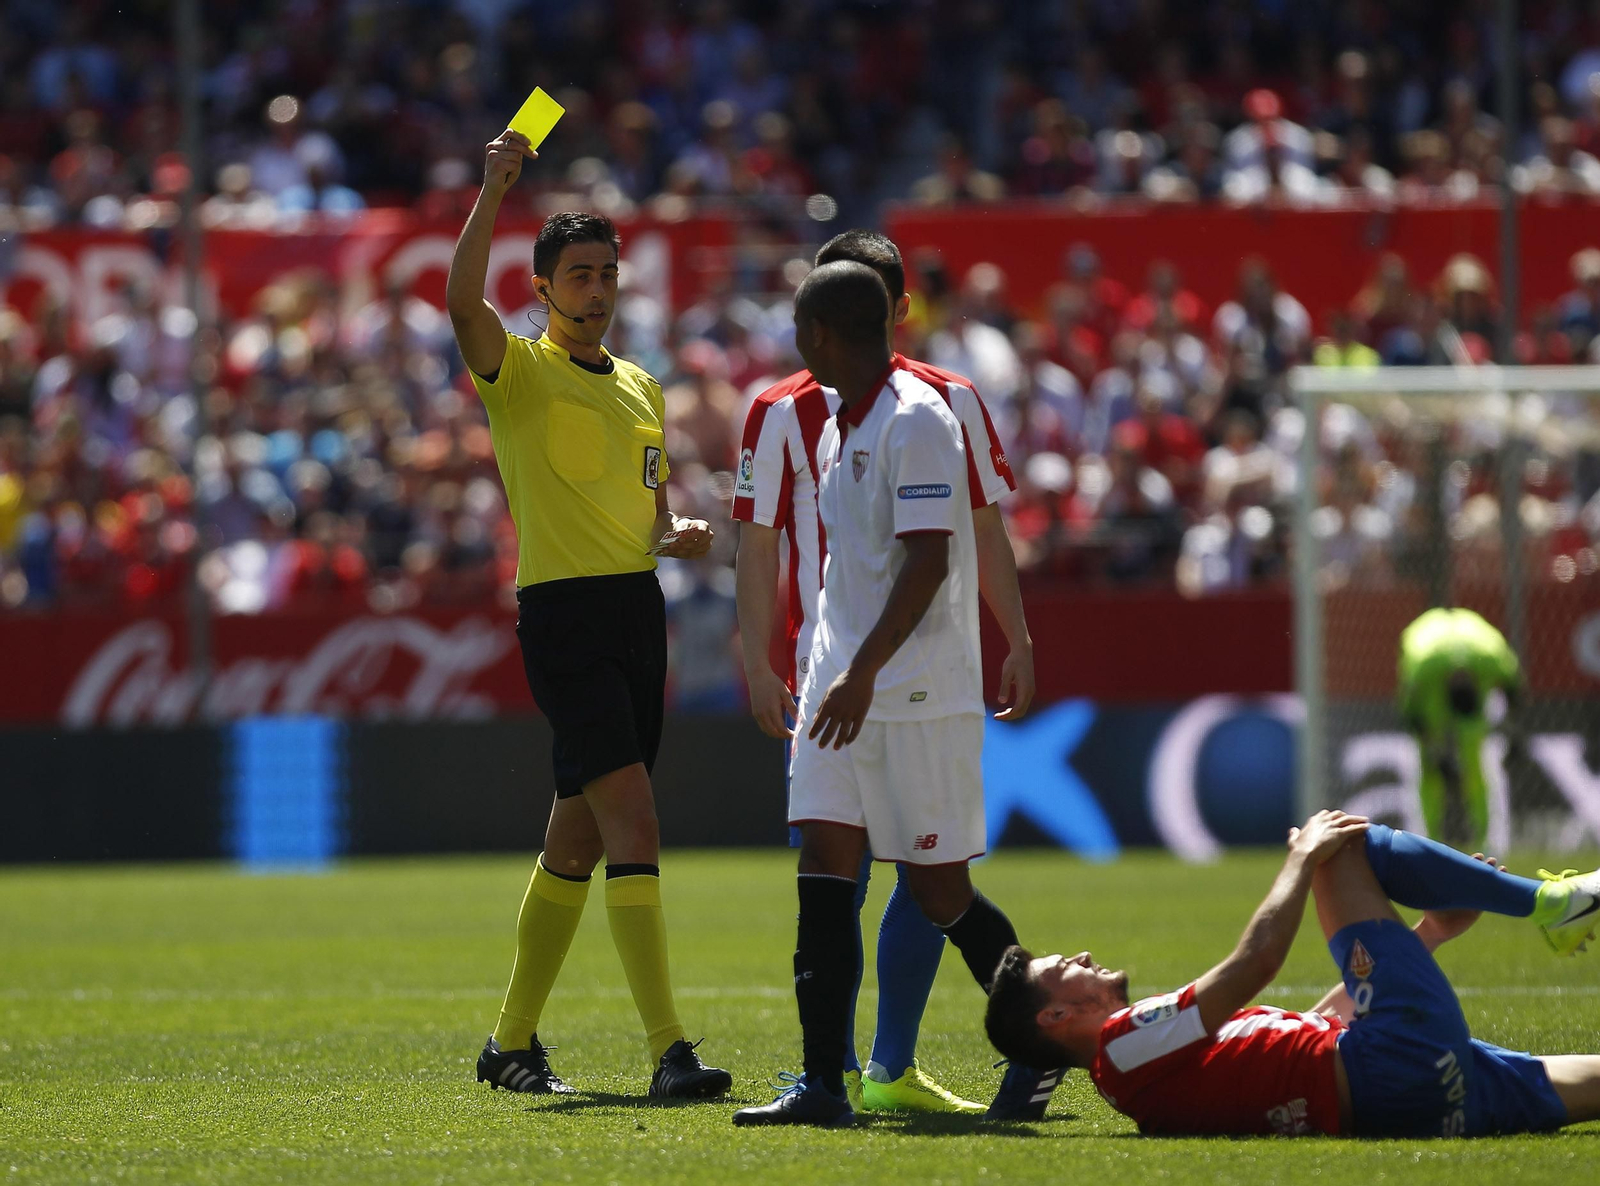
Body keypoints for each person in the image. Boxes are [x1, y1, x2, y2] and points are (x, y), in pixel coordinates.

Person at [733, 229, 1059, 1119]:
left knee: (940, 890)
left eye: (802, 328)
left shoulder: (919, 417)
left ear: (829, 333)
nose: (795, 346)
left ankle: (1041, 1046)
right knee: (824, 871)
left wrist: (864, 672)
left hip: (912, 693)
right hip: (843, 689)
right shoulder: (841, 421)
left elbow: (927, 564)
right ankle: (823, 1086)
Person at [446, 127, 730, 1100]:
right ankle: (668, 1050)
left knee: (576, 836)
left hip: (633, 611)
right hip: (564, 617)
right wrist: (492, 189)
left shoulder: (645, 386)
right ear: (542, 288)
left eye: (607, 272)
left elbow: (646, 520)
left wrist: (677, 531)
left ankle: (509, 1044)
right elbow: (456, 301)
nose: (597, 289)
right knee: (634, 819)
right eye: (578, 274)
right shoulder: (518, 371)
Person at [985, 811, 1600, 1137]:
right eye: (1064, 967)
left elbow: (1317, 1025)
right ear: (1055, 1016)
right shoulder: (1121, 1049)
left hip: (1416, 1100)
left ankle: (1553, 905)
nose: (1083, 956)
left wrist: (1430, 935)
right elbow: (1257, 961)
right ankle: (1554, 905)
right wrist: (1303, 856)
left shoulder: (1143, 1062)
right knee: (1341, 845)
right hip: (1393, 1066)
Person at [1398, 608, 1523, 852]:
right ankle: (1429, 840)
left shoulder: (1491, 660)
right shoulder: (1422, 667)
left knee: (1473, 763)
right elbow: (1412, 713)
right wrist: (1435, 751)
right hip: (1431, 684)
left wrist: (1513, 732)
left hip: (1466, 651)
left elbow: (1513, 688)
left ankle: (1485, 842)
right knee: (1430, 769)